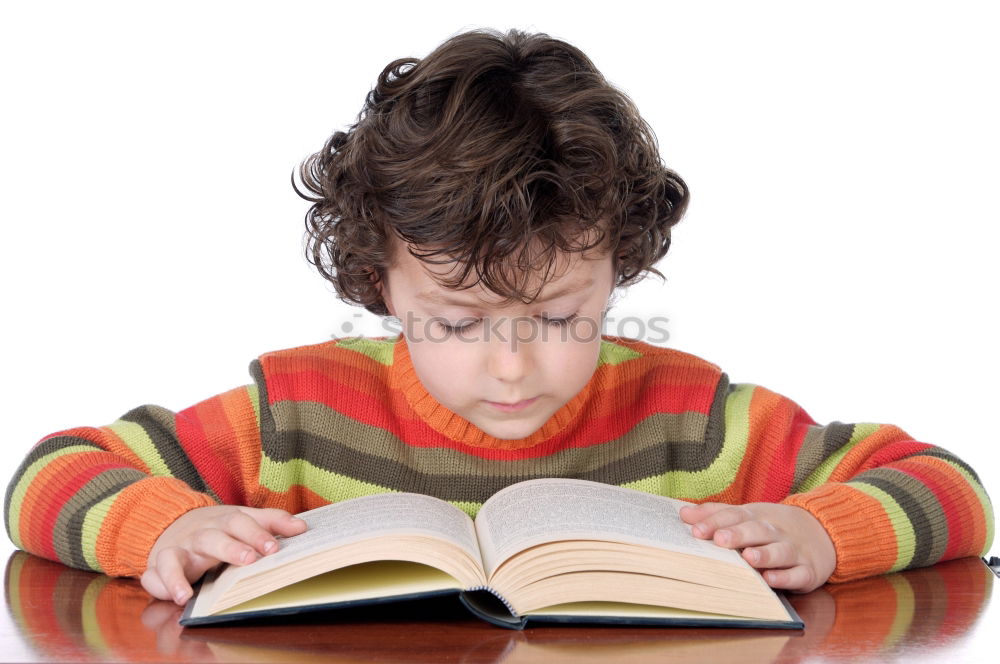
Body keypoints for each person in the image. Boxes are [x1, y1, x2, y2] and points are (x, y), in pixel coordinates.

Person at [4, 28, 993, 609]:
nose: (512, 369)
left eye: (560, 316)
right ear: (379, 281)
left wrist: (824, 532)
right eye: (455, 322)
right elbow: (48, 475)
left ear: (616, 269)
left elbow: (950, 488)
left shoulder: (696, 417)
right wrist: (166, 525)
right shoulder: (295, 413)